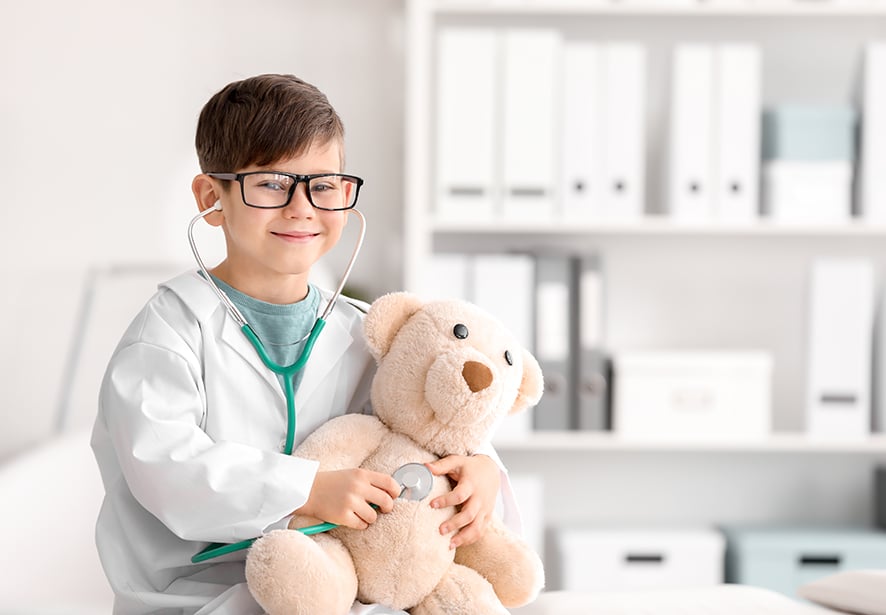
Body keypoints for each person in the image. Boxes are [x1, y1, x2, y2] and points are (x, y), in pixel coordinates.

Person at [91, 73, 522, 614]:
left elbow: (422, 423)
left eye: (323, 185)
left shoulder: (361, 329)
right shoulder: (170, 331)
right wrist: (305, 490)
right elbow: (165, 468)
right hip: (197, 595)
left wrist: (478, 467)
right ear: (211, 198)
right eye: (271, 183)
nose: (302, 208)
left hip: (345, 589)